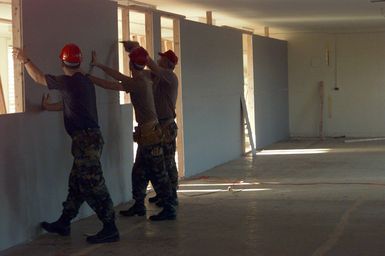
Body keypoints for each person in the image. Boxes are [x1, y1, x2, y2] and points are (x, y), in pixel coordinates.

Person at [13, 44, 119, 244]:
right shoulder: (83, 82)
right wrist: (49, 107)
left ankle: (110, 227)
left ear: (62, 61)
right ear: (78, 61)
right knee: (77, 184)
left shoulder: (66, 82)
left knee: (93, 185)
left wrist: (24, 60)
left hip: (86, 141)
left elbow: (38, 78)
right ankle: (64, 222)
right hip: (88, 140)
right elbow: (71, 104)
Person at [88, 46, 176, 221]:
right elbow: (119, 77)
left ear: (130, 63)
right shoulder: (143, 77)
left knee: (158, 173)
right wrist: (98, 65)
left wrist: (89, 78)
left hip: (150, 134)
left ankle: (169, 208)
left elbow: (112, 85)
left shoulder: (140, 83)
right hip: (147, 133)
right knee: (139, 172)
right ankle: (138, 205)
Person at [121, 41, 179, 207]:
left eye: (162, 59)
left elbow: (151, 65)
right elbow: (139, 72)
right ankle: (158, 196)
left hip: (166, 126)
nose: (158, 61)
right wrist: (134, 54)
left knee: (167, 162)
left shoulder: (169, 76)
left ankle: (171, 195)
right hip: (154, 128)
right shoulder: (154, 76)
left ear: (168, 64)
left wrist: (138, 48)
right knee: (150, 164)